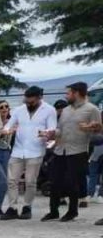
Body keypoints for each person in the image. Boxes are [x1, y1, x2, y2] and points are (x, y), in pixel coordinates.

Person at [44, 81, 103, 223]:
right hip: (60, 150)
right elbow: (60, 129)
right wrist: (51, 133)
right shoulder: (65, 110)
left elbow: (99, 132)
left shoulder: (92, 109)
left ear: (77, 93)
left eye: (68, 93)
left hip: (78, 151)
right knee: (55, 181)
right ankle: (53, 211)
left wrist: (90, 128)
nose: (66, 96)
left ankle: (72, 211)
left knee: (72, 182)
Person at [0, 87, 57, 221]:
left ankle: (27, 206)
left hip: (36, 150)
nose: (28, 104)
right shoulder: (19, 110)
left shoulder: (49, 110)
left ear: (39, 98)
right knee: (12, 180)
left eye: (31, 102)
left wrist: (46, 133)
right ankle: (12, 207)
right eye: (27, 102)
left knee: (30, 181)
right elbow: (9, 125)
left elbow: (52, 128)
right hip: (18, 150)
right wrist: (7, 130)